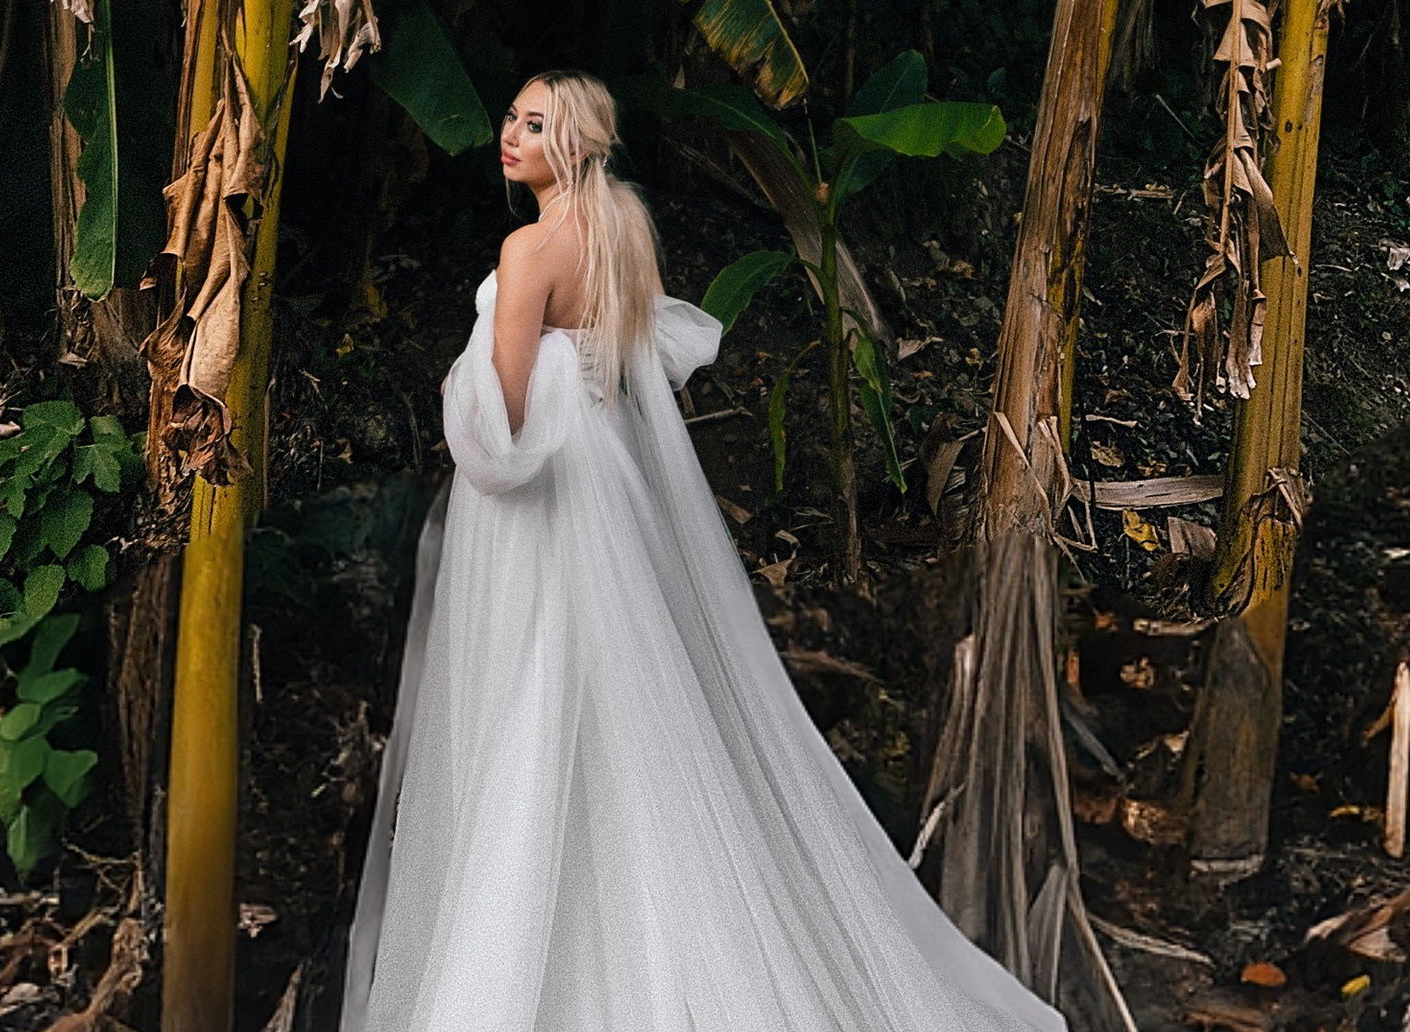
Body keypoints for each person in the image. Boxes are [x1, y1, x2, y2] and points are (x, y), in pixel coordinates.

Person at [340, 71, 1065, 1032]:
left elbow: (502, 423)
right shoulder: (625, 226)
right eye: (512, 117)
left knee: (529, 697)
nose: (510, 133)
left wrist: (457, 394)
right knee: (624, 695)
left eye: (535, 124)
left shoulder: (528, 251)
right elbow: (645, 352)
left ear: (576, 143)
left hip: (540, 502)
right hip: (611, 482)